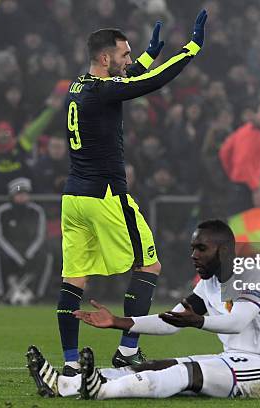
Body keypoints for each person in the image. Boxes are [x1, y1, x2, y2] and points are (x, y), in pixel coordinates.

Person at [55, 10, 208, 375]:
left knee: (73, 279)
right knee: (149, 264)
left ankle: (71, 364)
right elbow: (147, 84)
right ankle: (127, 350)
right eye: (124, 55)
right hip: (105, 196)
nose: (129, 60)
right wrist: (190, 49)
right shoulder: (104, 90)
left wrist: (146, 56)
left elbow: (127, 79)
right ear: (105, 58)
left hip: (73, 198)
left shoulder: (80, 85)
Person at [26, 220, 260, 400]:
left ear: (223, 250)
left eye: (201, 248)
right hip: (231, 359)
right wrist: (119, 321)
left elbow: (237, 323)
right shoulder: (209, 284)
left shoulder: (254, 275)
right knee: (152, 366)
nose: (193, 255)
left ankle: (101, 391)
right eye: (192, 248)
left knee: (184, 373)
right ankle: (65, 385)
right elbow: (170, 322)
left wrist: (197, 321)